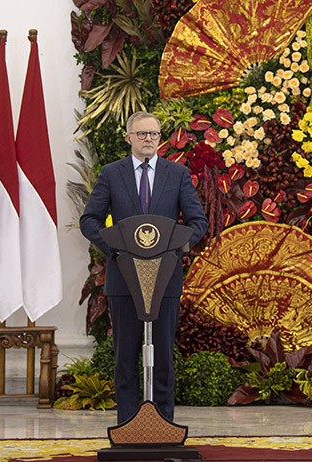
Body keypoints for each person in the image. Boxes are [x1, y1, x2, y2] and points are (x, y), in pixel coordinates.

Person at [80, 111, 208, 424]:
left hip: (165, 280)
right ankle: (127, 425)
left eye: (153, 134)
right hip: (124, 280)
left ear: (160, 139)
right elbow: (89, 220)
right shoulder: (112, 174)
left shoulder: (176, 175)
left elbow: (198, 222)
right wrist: (118, 248)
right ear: (129, 138)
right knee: (125, 357)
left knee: (163, 356)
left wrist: (171, 249)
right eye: (141, 134)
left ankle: (163, 425)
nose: (148, 139)